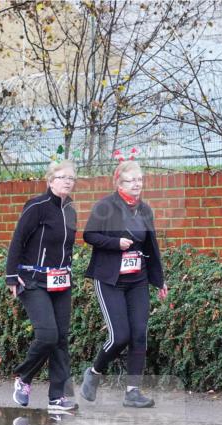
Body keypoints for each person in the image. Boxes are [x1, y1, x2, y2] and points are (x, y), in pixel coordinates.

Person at [80, 159, 168, 408]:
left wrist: (159, 279)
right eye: (131, 180)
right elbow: (89, 235)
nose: (137, 185)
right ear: (119, 182)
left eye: (140, 180)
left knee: (139, 334)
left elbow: (152, 246)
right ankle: (94, 373)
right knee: (120, 336)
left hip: (137, 280)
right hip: (110, 279)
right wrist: (115, 243)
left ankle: (133, 391)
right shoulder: (105, 206)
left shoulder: (145, 209)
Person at [5, 161, 79, 412]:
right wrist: (11, 276)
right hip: (33, 280)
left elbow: (66, 248)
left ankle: (57, 397)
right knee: (47, 335)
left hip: (61, 281)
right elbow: (18, 241)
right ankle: (24, 378)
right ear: (50, 180)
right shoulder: (36, 206)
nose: (68, 181)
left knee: (60, 339)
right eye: (62, 177)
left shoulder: (70, 209)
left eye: (71, 178)